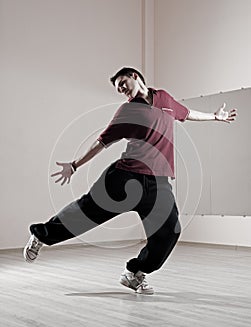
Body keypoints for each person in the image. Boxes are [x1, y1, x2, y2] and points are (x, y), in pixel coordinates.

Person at [23, 67, 237, 295]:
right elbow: (102, 142)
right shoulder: (127, 110)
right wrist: (75, 165)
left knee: (169, 232)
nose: (121, 89)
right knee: (86, 213)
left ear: (134, 76)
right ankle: (41, 235)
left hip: (159, 184)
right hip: (125, 178)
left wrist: (214, 117)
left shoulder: (164, 98)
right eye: (118, 89)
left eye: (122, 83)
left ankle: (135, 273)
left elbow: (187, 113)